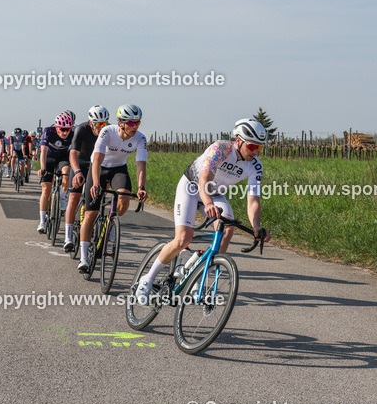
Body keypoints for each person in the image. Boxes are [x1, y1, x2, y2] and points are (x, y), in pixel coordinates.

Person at [134, 118, 271, 305]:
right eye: (252, 146)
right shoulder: (220, 149)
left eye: (259, 148)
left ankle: (199, 276)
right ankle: (147, 279)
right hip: (191, 188)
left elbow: (253, 200)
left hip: (215, 194)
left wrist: (256, 227)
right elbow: (204, 179)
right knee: (183, 239)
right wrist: (207, 203)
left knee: (227, 229)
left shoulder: (255, 165)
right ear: (238, 141)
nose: (255, 152)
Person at [77, 104, 147, 274]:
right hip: (99, 167)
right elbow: (97, 160)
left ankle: (111, 223)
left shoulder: (140, 138)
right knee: (91, 213)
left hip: (118, 168)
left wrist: (141, 187)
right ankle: (83, 258)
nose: (135, 126)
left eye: (137, 123)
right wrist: (95, 183)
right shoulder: (107, 131)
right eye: (131, 123)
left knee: (124, 198)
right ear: (121, 122)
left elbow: (141, 164)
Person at [65, 105, 109, 253]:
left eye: (104, 124)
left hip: (98, 164)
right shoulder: (81, 129)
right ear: (91, 123)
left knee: (100, 195)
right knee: (74, 197)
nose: (102, 127)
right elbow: (73, 153)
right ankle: (68, 237)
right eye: (99, 124)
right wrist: (77, 171)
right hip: (82, 162)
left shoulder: (109, 131)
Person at [37, 114, 74, 234]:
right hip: (49, 158)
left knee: (66, 172)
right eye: (62, 129)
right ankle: (42, 222)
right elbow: (43, 151)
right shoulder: (48, 131)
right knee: (46, 189)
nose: (65, 132)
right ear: (57, 127)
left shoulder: (73, 134)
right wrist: (43, 168)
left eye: (68, 129)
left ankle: (62, 197)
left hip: (62, 159)